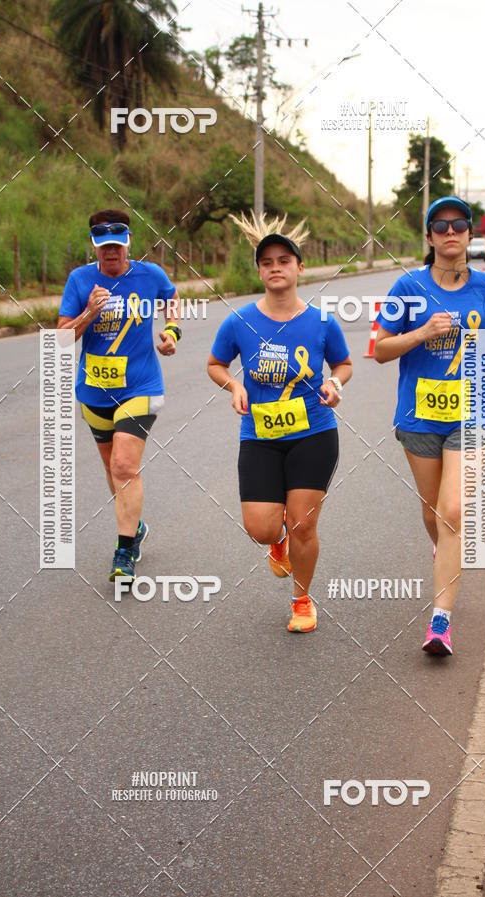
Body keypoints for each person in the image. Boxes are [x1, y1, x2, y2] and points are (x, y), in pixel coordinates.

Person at [373, 196, 485, 656]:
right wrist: (421, 333)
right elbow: (379, 349)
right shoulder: (407, 287)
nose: (450, 232)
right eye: (440, 225)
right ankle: (446, 553)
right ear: (429, 235)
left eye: (459, 225)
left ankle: (441, 622)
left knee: (452, 512)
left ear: (470, 233)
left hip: (472, 411)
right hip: (419, 416)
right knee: (432, 511)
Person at [207, 212, 352, 633]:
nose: (275, 268)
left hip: (314, 433)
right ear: (259, 270)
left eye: (283, 260)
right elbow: (216, 363)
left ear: (299, 268)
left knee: (303, 523)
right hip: (260, 436)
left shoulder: (322, 322)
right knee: (261, 527)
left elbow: (343, 364)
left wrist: (335, 382)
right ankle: (277, 543)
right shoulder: (239, 322)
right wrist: (234, 386)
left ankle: (302, 600)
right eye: (267, 262)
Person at [57, 209, 181, 581]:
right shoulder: (80, 281)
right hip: (94, 392)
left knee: (125, 466)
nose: (110, 253)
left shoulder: (150, 275)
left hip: (141, 387)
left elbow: (172, 299)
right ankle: (136, 526)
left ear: (127, 242)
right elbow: (61, 338)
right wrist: (89, 313)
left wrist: (172, 332)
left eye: (116, 245)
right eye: (103, 246)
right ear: (94, 246)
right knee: (113, 470)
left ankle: (124, 552)